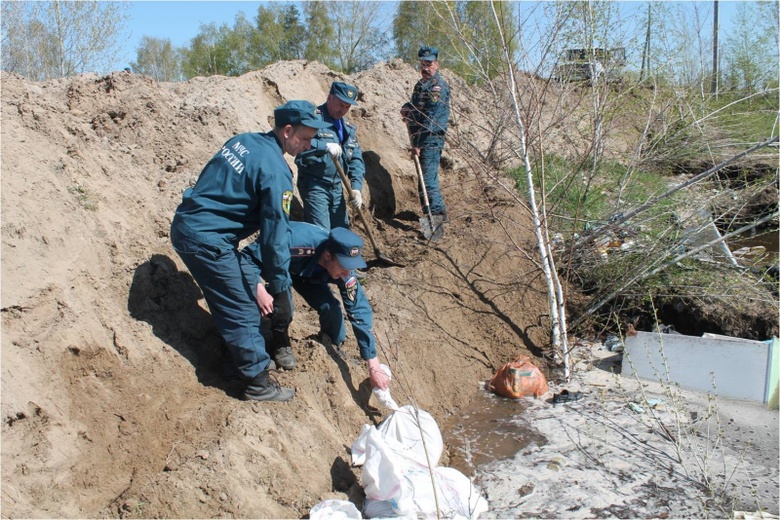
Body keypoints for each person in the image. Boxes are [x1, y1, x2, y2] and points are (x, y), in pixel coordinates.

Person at [170, 100, 332, 403]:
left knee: (231, 299)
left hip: (186, 223)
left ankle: (242, 359)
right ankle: (258, 383)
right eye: (306, 137)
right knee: (244, 310)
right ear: (287, 131)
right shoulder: (277, 172)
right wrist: (281, 288)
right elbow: (274, 239)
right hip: (208, 241)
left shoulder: (242, 141)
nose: (310, 144)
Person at [241, 221, 391, 390]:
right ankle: (279, 339)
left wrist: (373, 362)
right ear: (328, 255)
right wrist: (258, 288)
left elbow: (358, 309)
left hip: (311, 275)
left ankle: (329, 344)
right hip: (281, 268)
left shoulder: (345, 269)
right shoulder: (293, 241)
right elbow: (246, 258)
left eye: (351, 267)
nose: (348, 273)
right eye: (344, 266)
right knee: (284, 308)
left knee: (333, 310)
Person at [295, 81, 366, 231]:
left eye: (347, 107)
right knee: (321, 233)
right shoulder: (313, 120)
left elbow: (356, 159)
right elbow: (297, 144)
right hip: (315, 185)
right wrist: (323, 146)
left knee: (341, 233)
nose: (343, 110)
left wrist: (357, 188)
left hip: (337, 187)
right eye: (340, 104)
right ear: (329, 98)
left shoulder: (347, 129)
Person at [401, 46, 451, 222]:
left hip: (431, 138)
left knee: (428, 178)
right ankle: (430, 213)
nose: (425, 67)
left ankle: (437, 215)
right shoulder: (420, 85)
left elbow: (431, 118)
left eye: (429, 63)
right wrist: (407, 107)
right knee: (424, 177)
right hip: (421, 137)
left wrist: (418, 144)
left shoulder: (438, 87)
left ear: (436, 64)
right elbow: (417, 109)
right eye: (422, 64)